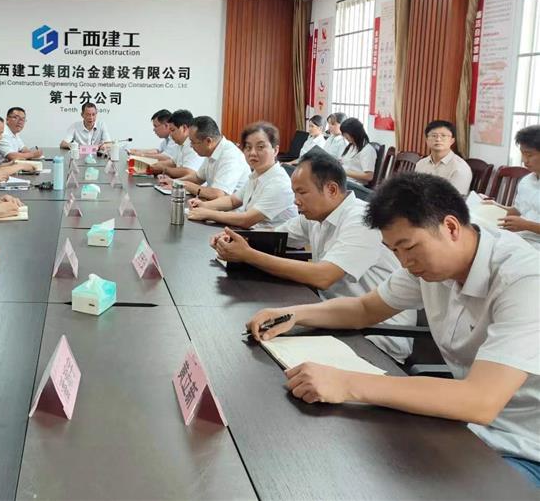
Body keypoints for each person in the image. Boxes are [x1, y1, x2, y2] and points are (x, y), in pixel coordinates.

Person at [245, 173, 540, 488]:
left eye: (407, 247)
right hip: (466, 428)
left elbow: (480, 400)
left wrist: (345, 382)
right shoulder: (428, 266)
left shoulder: (524, 280)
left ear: (451, 228)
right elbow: (364, 309)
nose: (404, 262)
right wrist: (294, 314)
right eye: (394, 250)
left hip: (524, 447)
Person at [213, 151, 414, 362]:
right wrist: (233, 239)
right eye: (294, 193)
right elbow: (270, 238)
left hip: (377, 334)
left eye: (302, 192)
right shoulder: (314, 216)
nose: (296, 201)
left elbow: (323, 277)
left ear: (331, 190)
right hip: (335, 317)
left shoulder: (361, 219)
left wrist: (248, 255)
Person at [187, 122, 297, 230]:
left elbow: (247, 220)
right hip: (251, 233)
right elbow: (232, 201)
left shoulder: (279, 183)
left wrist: (208, 213)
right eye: (248, 147)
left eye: (260, 147)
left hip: (273, 240)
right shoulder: (256, 174)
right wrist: (204, 205)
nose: (252, 153)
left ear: (275, 150)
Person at [159, 116, 249, 200]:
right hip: (213, 205)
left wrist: (184, 184)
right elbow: (197, 178)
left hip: (231, 210)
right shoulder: (212, 151)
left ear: (208, 141)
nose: (191, 146)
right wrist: (174, 182)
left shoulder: (231, 156)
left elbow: (217, 194)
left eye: (193, 142)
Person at [498, 125, 540, 250]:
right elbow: (518, 210)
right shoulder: (527, 181)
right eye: (522, 154)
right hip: (520, 238)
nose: (524, 160)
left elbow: (524, 223)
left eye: (529, 155)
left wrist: (527, 225)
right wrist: (494, 206)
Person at [414, 120, 472, 195]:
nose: (438, 139)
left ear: (452, 141)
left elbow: (455, 199)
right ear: (427, 140)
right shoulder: (420, 164)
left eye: (443, 136)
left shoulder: (460, 168)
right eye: (434, 135)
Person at [148, 109, 204, 178]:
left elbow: (188, 172)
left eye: (173, 130)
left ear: (184, 128)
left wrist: (164, 169)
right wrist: (153, 165)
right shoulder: (180, 143)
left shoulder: (193, 145)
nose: (170, 134)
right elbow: (173, 162)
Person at [339, 117, 376, 184]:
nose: (345, 137)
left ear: (355, 133)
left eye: (346, 134)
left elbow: (369, 176)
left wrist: (344, 171)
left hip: (354, 184)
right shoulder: (351, 146)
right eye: (343, 134)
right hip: (344, 180)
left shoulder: (367, 150)